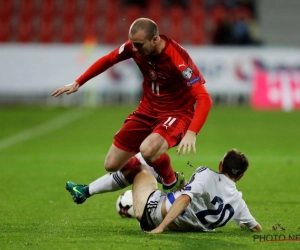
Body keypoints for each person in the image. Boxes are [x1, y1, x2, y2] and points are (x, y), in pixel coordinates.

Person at [51, 18, 213, 203]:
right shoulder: (133, 47)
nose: (134, 49)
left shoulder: (177, 58)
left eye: (138, 44)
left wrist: (192, 132)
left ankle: (171, 180)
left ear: (154, 39)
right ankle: (152, 167)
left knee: (148, 149)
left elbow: (204, 98)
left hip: (175, 114)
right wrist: (79, 82)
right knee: (112, 164)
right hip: (147, 110)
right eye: (132, 43)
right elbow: (108, 59)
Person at [132, 148, 262, 233]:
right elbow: (256, 228)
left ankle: (121, 191)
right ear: (240, 176)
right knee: (184, 185)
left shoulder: (206, 174)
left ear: (220, 165)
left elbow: (185, 198)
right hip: (179, 224)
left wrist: (160, 228)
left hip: (152, 212)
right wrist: (242, 224)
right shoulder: (239, 203)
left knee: (140, 168)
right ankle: (171, 180)